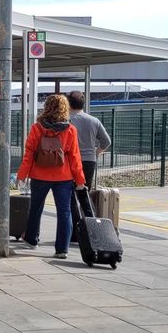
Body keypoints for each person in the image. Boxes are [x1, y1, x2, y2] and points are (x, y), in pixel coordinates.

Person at [15, 94, 86, 259]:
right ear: (65, 109)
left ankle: (31, 240)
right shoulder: (70, 130)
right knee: (64, 212)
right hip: (63, 176)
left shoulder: (37, 128)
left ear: (46, 107)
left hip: (40, 175)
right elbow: (75, 157)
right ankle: (61, 249)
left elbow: (29, 154)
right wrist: (80, 180)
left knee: (36, 208)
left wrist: (22, 174)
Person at [68, 90, 111, 239]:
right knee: (84, 195)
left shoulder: (66, 120)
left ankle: (74, 232)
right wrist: (96, 152)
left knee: (70, 197)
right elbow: (107, 141)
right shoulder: (94, 120)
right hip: (89, 161)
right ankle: (92, 230)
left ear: (68, 103)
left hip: (70, 162)